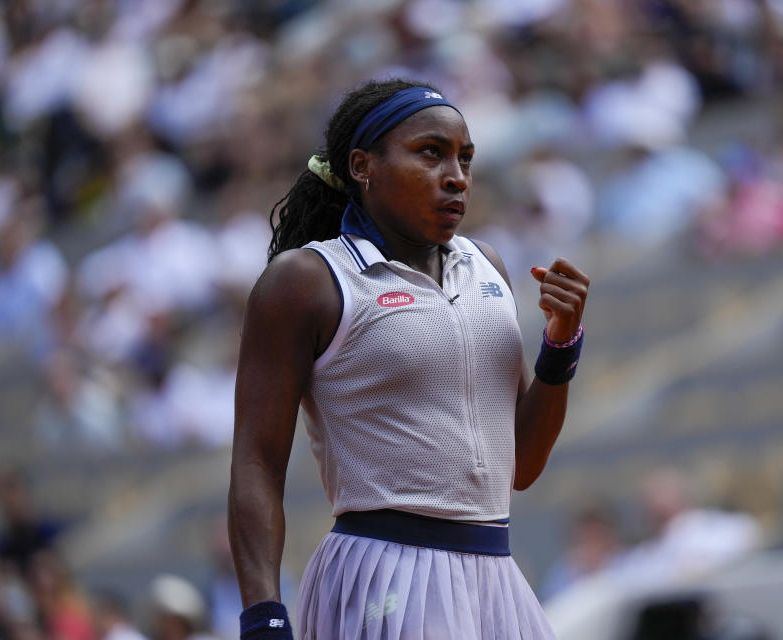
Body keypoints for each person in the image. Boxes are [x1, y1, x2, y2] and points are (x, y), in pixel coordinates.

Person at [227, 78, 590, 639]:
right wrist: (263, 614)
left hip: (495, 574)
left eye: (465, 159)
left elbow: (522, 465)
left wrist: (560, 347)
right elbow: (257, 462)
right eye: (430, 153)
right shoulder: (307, 280)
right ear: (362, 165)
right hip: (383, 573)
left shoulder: (487, 264)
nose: (457, 177)